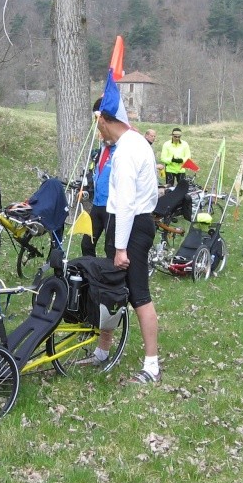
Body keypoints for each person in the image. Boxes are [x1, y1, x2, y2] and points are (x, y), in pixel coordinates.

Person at [85, 107, 160, 384]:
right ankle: (103, 351)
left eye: (98, 124)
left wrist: (120, 249)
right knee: (112, 289)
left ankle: (152, 366)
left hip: (133, 225)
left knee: (139, 295)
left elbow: (127, 202)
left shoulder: (128, 150)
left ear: (104, 120)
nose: (98, 131)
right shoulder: (129, 143)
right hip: (124, 223)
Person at [81, 99, 115, 258]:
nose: (100, 132)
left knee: (111, 248)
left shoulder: (121, 148)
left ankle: (112, 278)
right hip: (98, 203)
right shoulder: (102, 147)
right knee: (86, 244)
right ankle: (91, 272)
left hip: (112, 205)